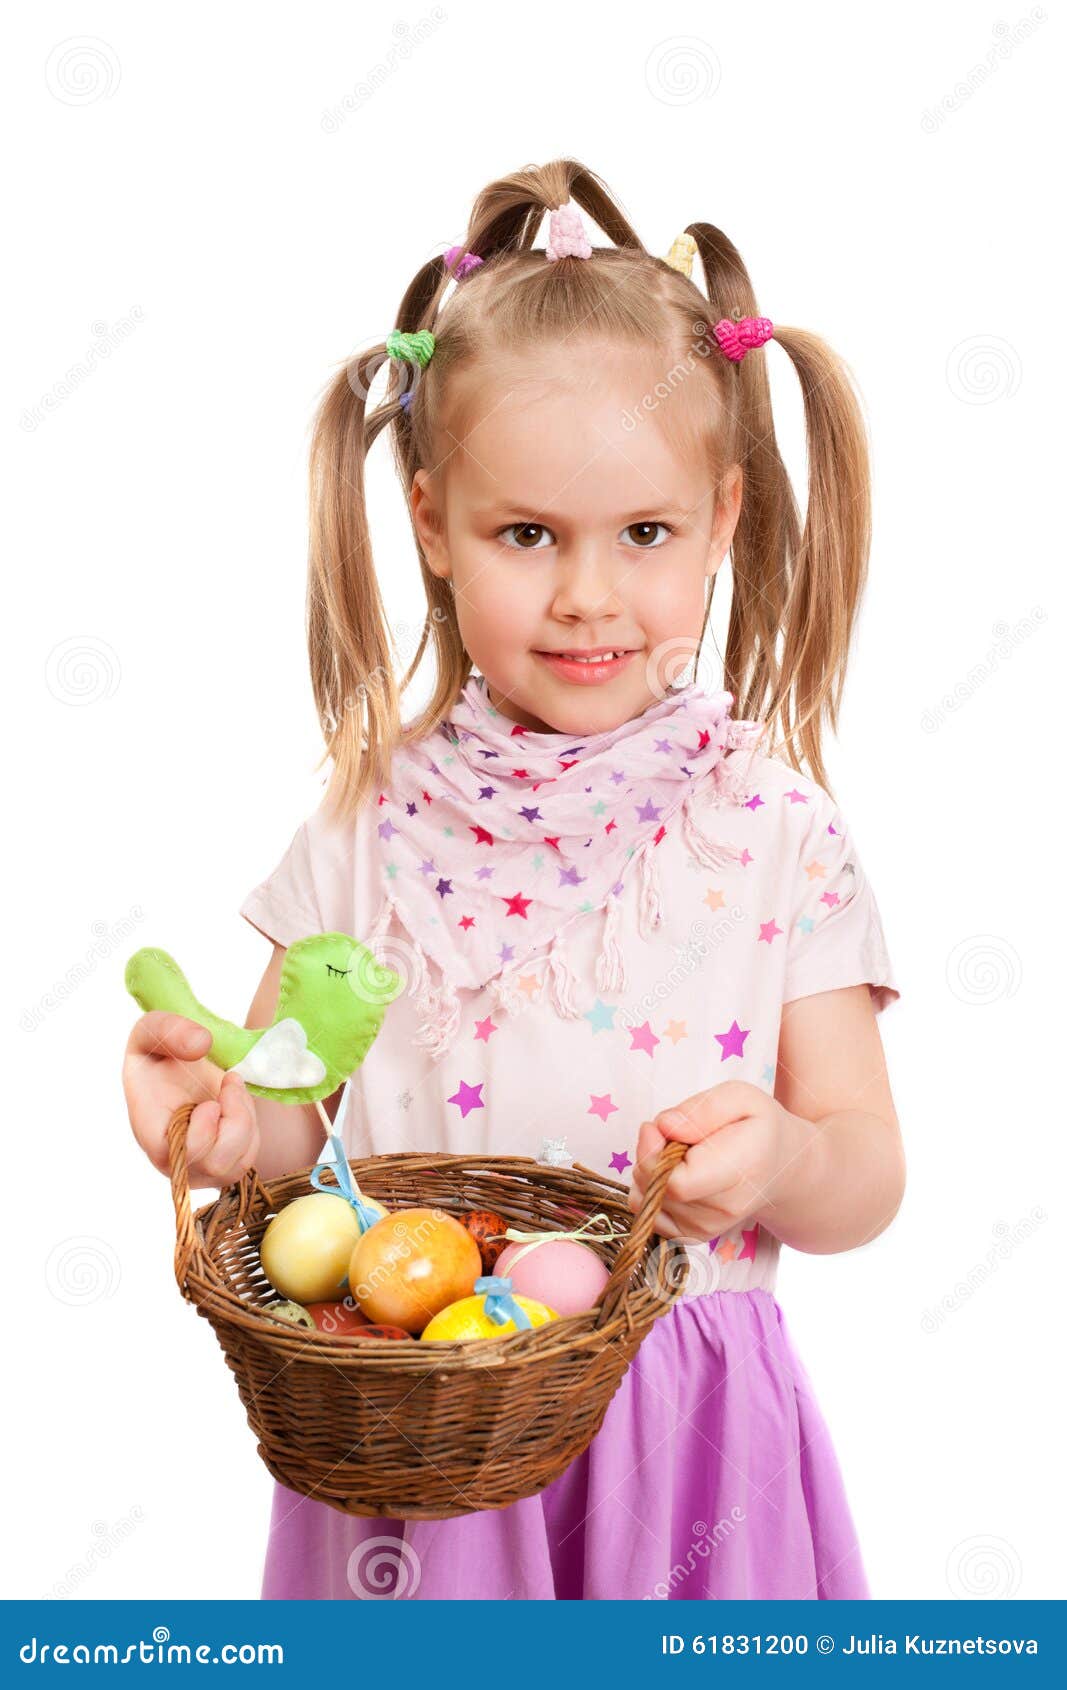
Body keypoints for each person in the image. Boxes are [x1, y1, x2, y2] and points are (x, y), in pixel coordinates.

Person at [123, 159, 903, 1600]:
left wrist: (788, 1158)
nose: (589, 592)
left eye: (646, 534)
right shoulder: (367, 826)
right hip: (423, 1446)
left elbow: (866, 1170)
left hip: (685, 1441)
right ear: (431, 524)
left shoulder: (775, 828)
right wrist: (222, 1131)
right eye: (526, 533)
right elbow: (299, 1140)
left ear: (725, 521)